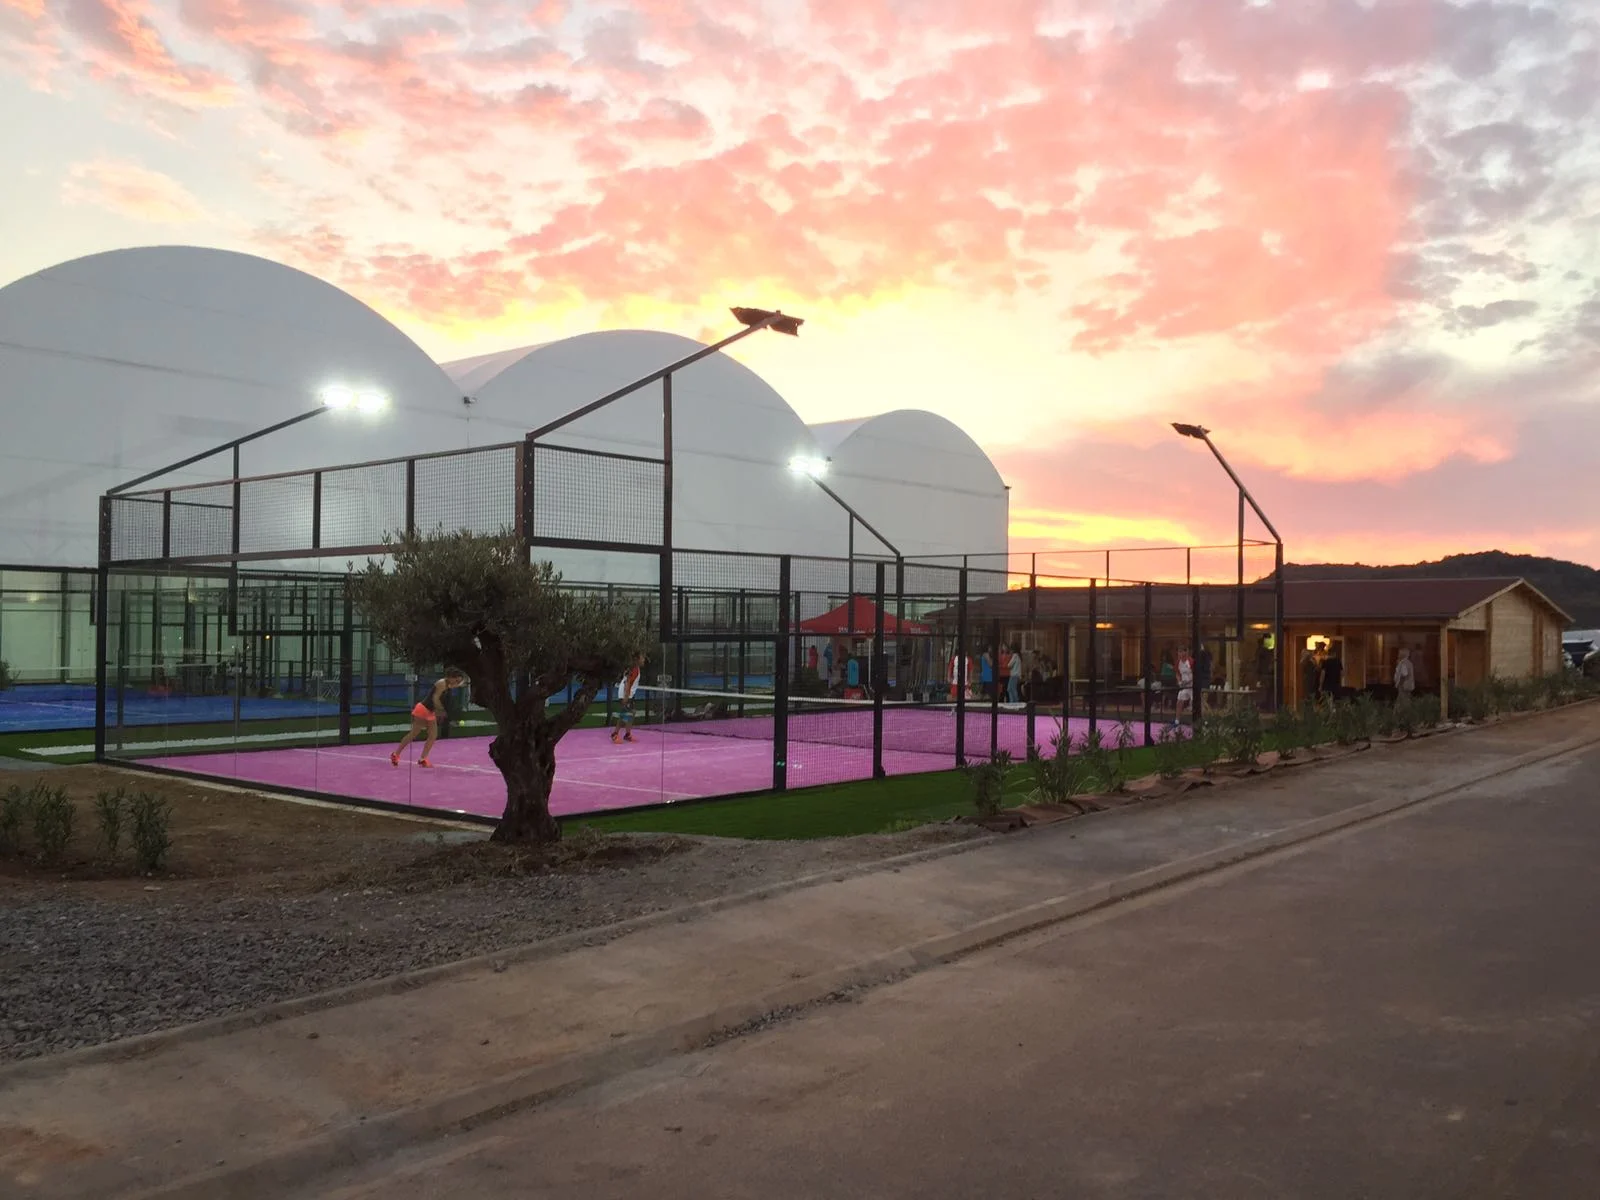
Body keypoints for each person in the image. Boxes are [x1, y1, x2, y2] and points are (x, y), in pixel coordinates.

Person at [391, 668, 467, 768]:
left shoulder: (449, 684)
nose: (457, 682)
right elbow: (435, 698)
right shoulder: (441, 683)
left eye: (458, 681)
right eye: (456, 680)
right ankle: (395, 754)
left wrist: (461, 683)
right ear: (450, 677)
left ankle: (423, 759)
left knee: (433, 735)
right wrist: (441, 710)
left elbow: (454, 685)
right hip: (423, 710)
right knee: (413, 734)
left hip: (430, 712)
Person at [612, 653, 643, 744]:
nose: (644, 660)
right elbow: (628, 683)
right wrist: (626, 696)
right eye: (642, 658)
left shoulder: (635, 668)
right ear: (637, 659)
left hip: (629, 694)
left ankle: (627, 734)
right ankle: (615, 734)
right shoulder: (634, 669)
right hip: (625, 693)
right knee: (624, 715)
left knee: (632, 712)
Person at [1174, 647, 1194, 727]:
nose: (1180, 654)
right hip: (1184, 686)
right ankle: (1177, 720)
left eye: (1181, 652)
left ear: (1186, 652)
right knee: (1179, 701)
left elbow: (1195, 673)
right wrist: (1179, 681)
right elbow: (1177, 673)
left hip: (1192, 686)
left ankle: (1199, 721)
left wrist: (1189, 682)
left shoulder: (1191, 661)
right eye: (1179, 652)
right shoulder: (1178, 662)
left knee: (1195, 703)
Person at [1194, 643, 1213, 713]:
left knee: (1202, 700)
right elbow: (1211, 666)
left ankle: (1211, 713)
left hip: (1203, 679)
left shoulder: (1202, 655)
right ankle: (1208, 714)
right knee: (1203, 700)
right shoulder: (1207, 656)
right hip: (1205, 679)